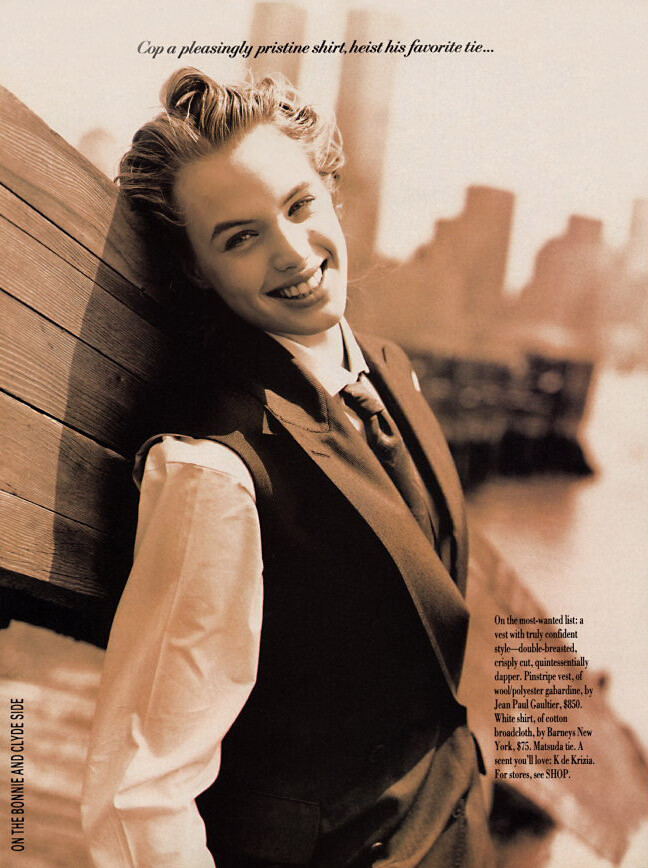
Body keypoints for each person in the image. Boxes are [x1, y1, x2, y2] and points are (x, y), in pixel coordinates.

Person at [81, 67, 494, 868]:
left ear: (331, 191)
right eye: (240, 238)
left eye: (300, 205)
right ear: (194, 267)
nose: (294, 252)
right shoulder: (210, 469)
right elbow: (140, 795)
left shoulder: (388, 370)